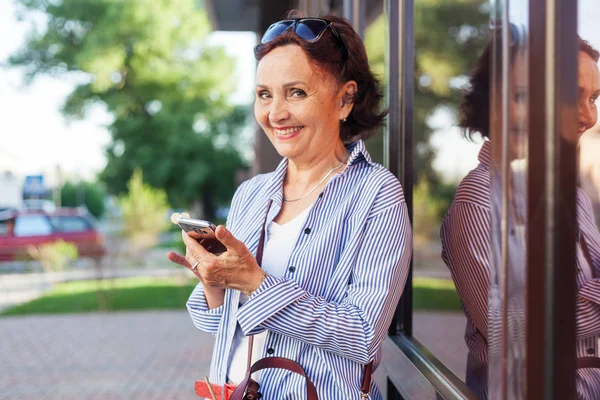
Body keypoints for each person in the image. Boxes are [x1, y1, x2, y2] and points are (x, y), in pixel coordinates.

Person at [167, 12, 412, 400]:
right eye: (264, 94)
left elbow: (364, 335)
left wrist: (255, 282)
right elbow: (221, 324)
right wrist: (214, 281)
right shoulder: (251, 193)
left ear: (346, 97)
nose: (275, 113)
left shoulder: (376, 195)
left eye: (296, 92)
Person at [440, 32, 600, 400]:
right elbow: (507, 328)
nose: (588, 116)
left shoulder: (570, 195)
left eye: (593, 98)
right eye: (570, 95)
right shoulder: (479, 200)